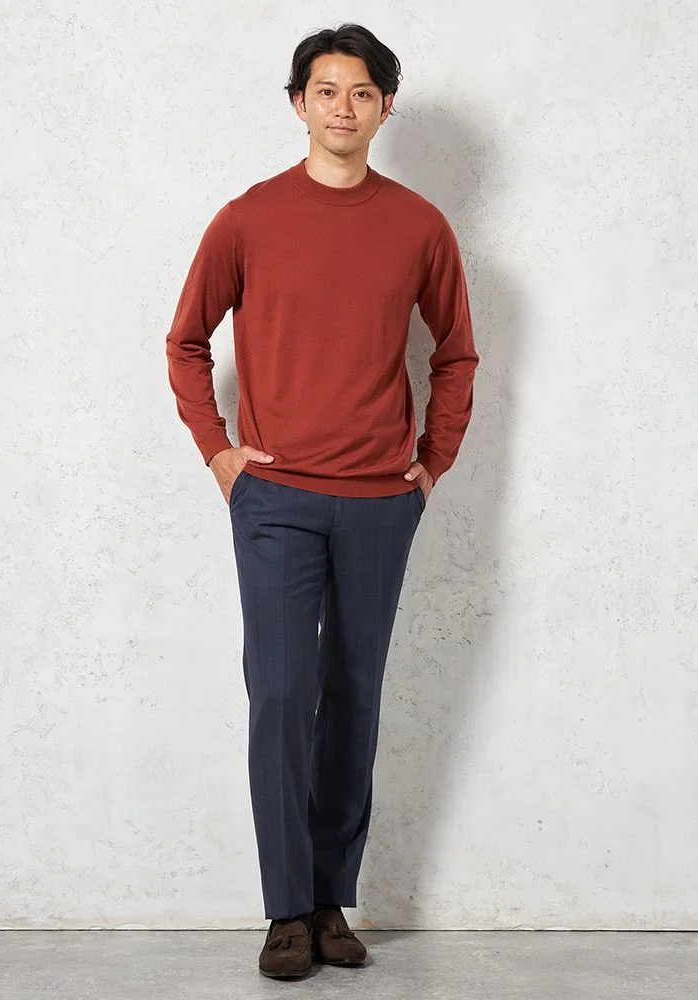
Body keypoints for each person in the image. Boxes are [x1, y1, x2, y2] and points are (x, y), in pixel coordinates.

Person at [165, 22, 479, 980]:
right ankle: (285, 910)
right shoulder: (249, 219)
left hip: (381, 501)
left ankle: (331, 898)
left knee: (353, 693)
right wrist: (221, 455)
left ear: (385, 107)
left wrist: (433, 462)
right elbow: (185, 343)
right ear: (299, 103)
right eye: (327, 91)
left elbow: (457, 354)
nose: (344, 108)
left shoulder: (420, 227)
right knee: (280, 692)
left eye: (362, 92)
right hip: (275, 499)